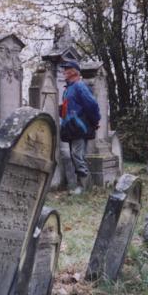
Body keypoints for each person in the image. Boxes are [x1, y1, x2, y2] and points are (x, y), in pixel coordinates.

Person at [59, 60, 101, 195]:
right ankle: (81, 185)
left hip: (79, 127)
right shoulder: (68, 89)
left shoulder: (79, 86)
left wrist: (95, 121)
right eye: (64, 70)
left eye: (66, 70)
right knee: (75, 155)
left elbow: (92, 105)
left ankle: (85, 187)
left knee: (77, 155)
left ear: (74, 72)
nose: (64, 72)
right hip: (70, 127)